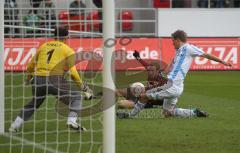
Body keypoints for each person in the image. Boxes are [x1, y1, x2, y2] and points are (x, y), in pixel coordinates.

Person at [117, 30, 232, 119]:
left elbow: (206, 55)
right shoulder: (178, 52)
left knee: (143, 96)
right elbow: (169, 68)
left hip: (171, 85)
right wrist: (161, 73)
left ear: (178, 40)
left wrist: (223, 62)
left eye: (173, 41)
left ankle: (129, 116)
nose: (172, 43)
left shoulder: (189, 48)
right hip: (175, 86)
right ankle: (194, 113)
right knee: (168, 113)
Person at [9, 27, 92, 133]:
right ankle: (72, 121)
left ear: (54, 36)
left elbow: (30, 67)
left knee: (34, 103)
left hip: (38, 80)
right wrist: (84, 89)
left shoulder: (43, 46)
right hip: (55, 80)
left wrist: (28, 79)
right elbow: (74, 74)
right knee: (76, 97)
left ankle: (14, 125)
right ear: (66, 38)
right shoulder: (67, 49)